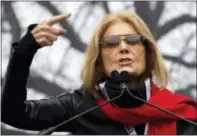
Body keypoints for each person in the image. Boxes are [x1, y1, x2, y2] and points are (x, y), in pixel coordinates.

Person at [2, 11, 196, 135]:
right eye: (111, 43)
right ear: (99, 60)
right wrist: (24, 51)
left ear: (148, 52)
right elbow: (12, 113)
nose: (123, 47)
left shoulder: (182, 115)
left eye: (132, 39)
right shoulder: (80, 105)